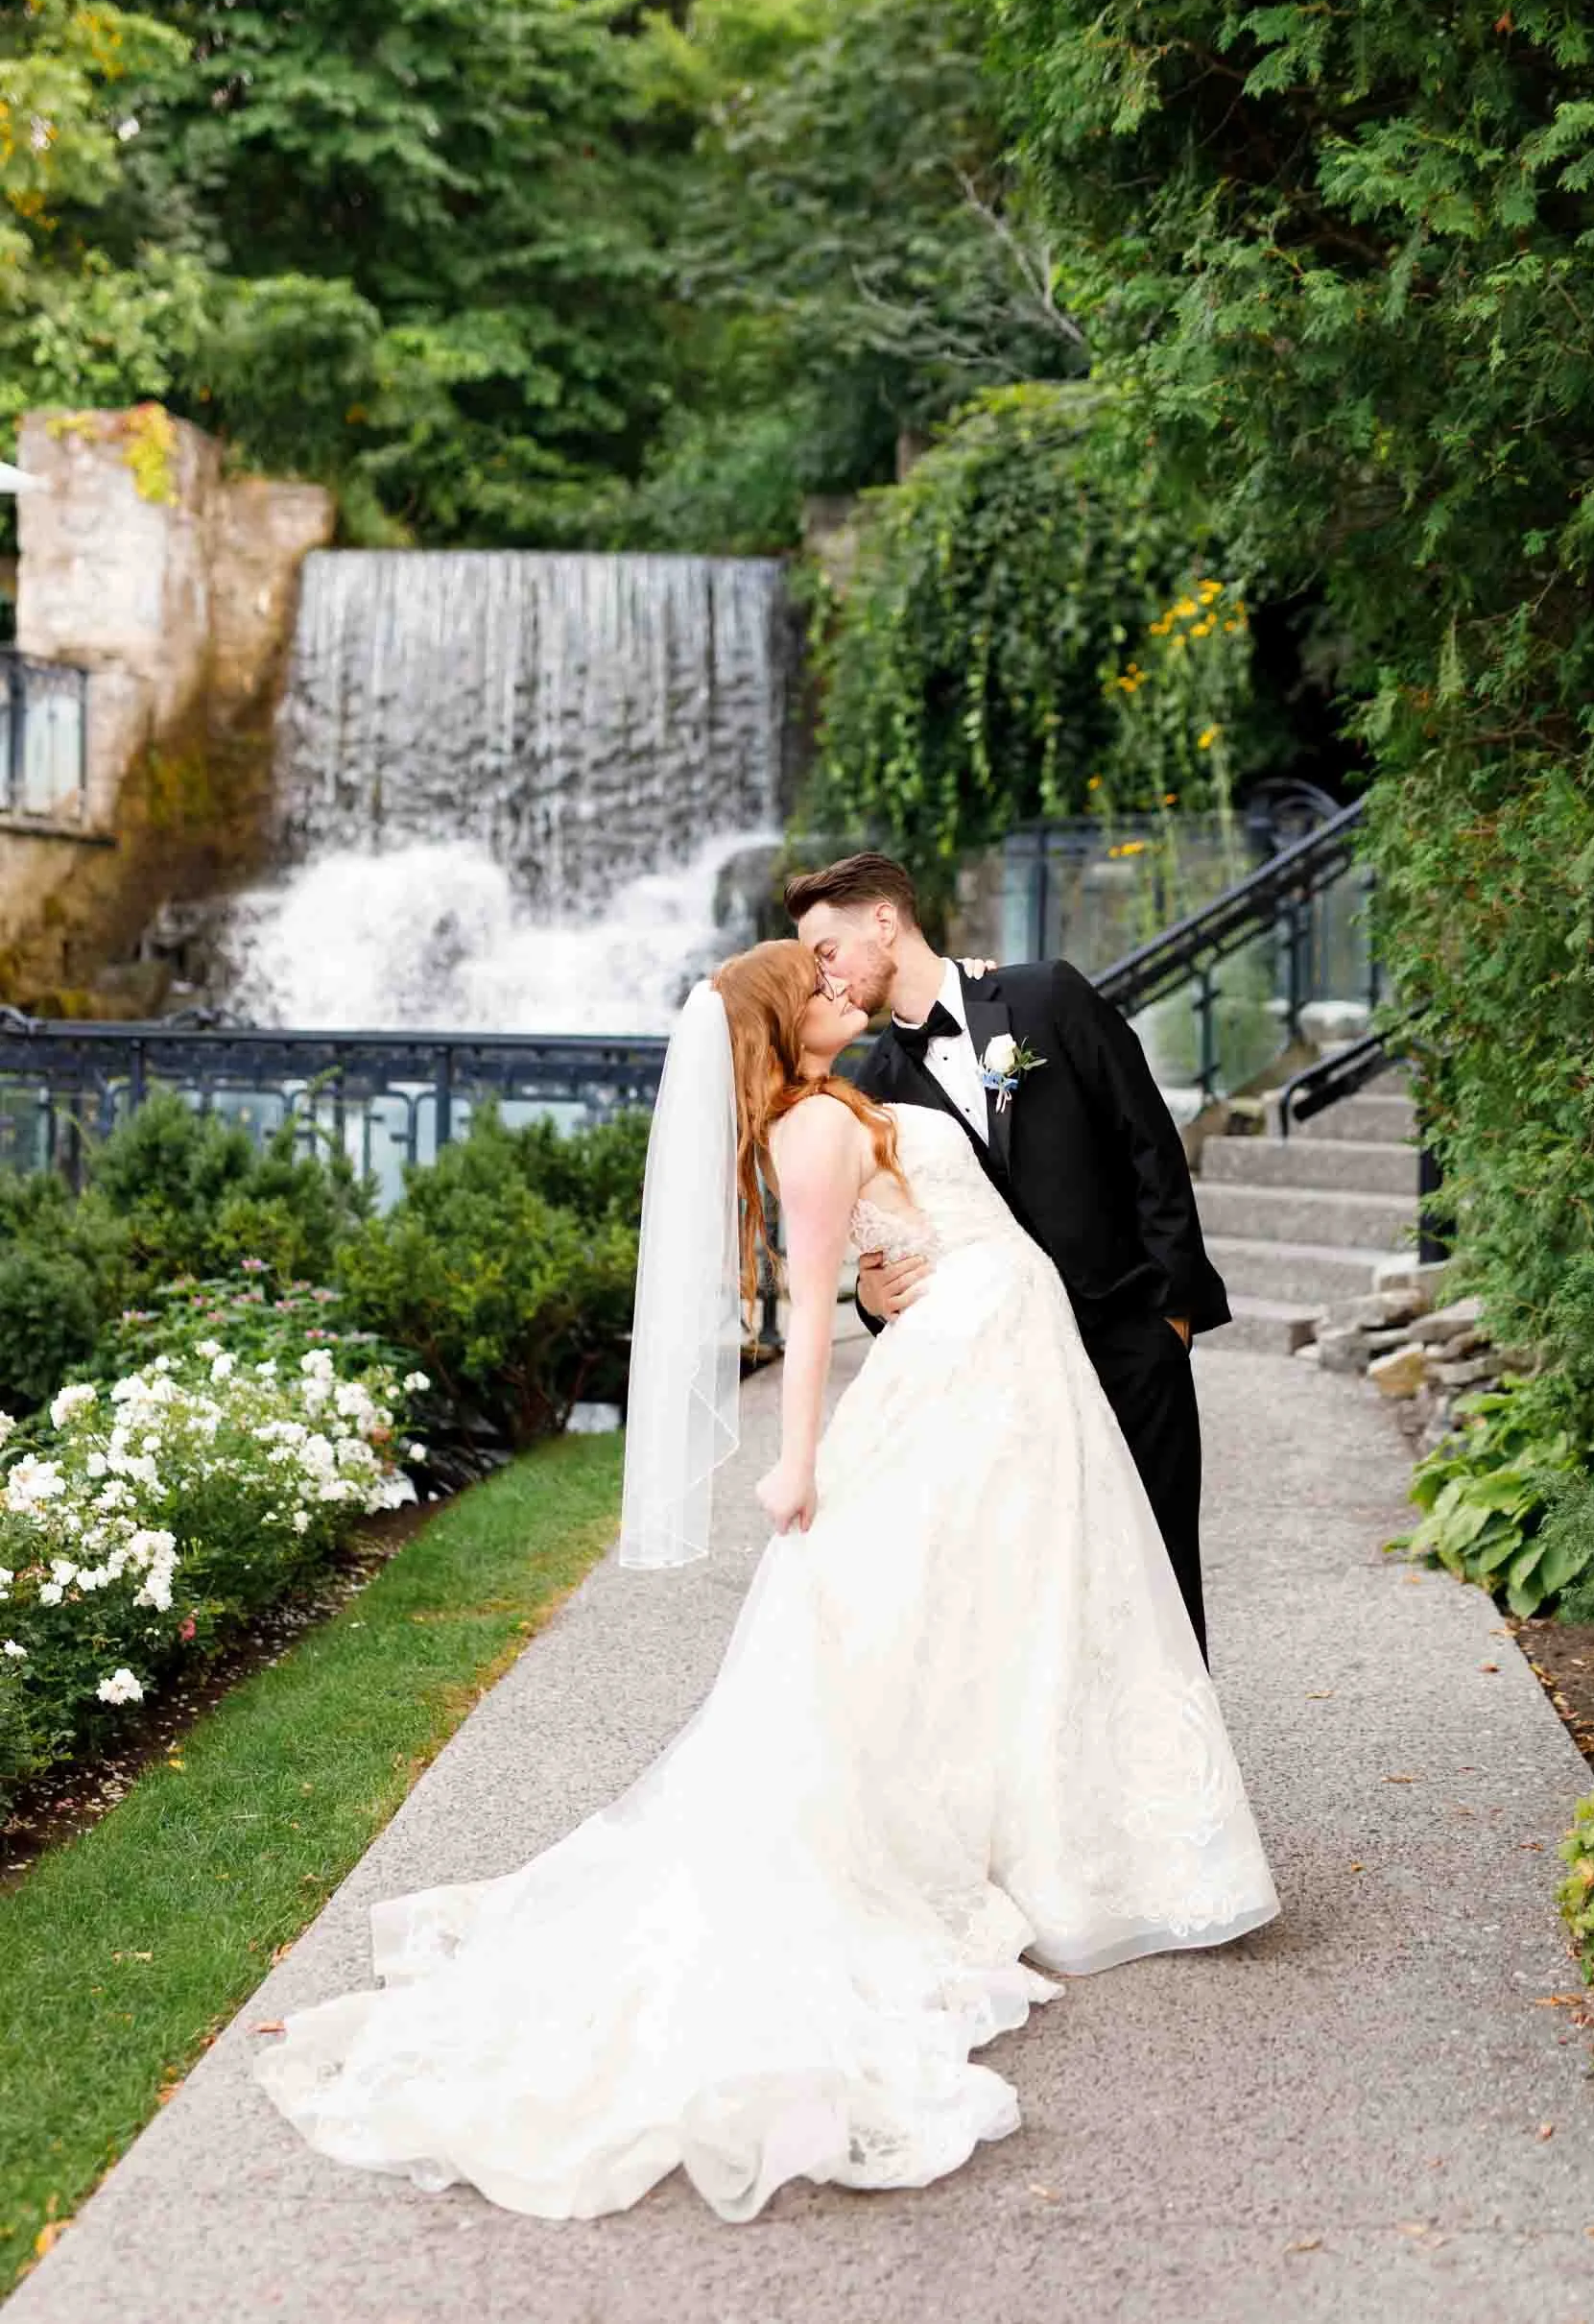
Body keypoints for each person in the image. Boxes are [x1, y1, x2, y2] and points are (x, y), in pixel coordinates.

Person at [253, 941, 1278, 2225]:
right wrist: (794, 1462)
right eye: (816, 981)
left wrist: (894, 1275)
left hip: (1001, 1357)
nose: (840, 984)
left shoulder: (855, 1096)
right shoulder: (808, 1128)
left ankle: (1047, 1836)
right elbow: (803, 1313)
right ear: (783, 1024)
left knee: (1006, 1618)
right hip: (963, 1375)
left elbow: (894, 1240)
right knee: (940, 1627)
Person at [787, 851, 1226, 1664]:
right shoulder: (872, 1089)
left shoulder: (1044, 995)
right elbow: (892, 1240)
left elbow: (1149, 1144)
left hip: (1125, 1336)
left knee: (1161, 1569)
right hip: (1008, 1372)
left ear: (882, 922)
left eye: (827, 951)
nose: (826, 977)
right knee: (1050, 1583)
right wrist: (871, 1301)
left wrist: (1171, 1316)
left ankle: (1180, 1742)